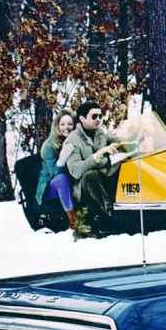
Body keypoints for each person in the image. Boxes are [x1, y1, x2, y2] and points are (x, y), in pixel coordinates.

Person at [62, 100, 122, 237]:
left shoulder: (100, 133)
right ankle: (110, 214)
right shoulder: (72, 141)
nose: (98, 120)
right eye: (94, 117)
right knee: (90, 175)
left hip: (104, 176)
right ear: (82, 119)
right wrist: (99, 155)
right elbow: (76, 171)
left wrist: (136, 135)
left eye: (100, 116)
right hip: (83, 187)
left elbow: (118, 141)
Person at [35, 109, 79, 230]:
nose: (67, 127)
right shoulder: (51, 145)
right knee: (62, 178)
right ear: (57, 126)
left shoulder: (76, 141)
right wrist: (62, 159)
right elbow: (54, 173)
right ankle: (73, 220)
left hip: (70, 184)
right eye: (63, 124)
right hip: (49, 187)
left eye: (70, 124)